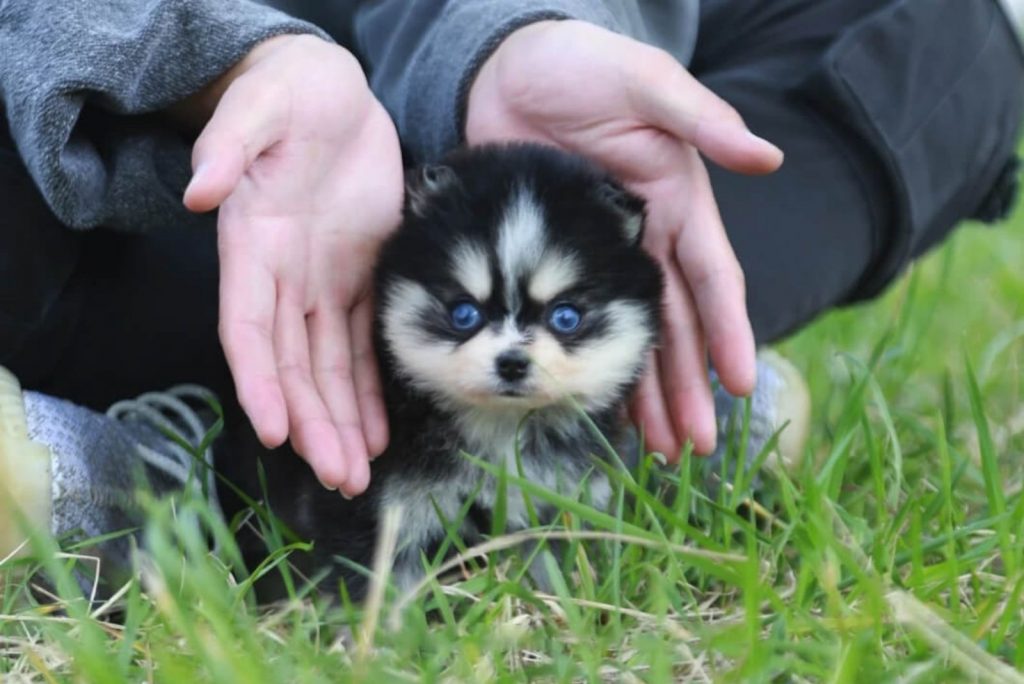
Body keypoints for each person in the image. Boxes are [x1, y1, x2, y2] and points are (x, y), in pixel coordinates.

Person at [0, 1, 1021, 577]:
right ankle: (161, 467)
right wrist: (222, 63)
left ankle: (621, 414)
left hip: (422, 160)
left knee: (951, 33)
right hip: (106, 182)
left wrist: (510, 38)